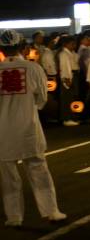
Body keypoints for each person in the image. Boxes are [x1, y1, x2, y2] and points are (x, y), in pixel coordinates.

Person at [0, 30, 67, 227]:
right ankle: (51, 211)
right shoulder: (33, 68)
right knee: (38, 169)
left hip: (2, 131)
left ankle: (14, 217)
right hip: (28, 127)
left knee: (8, 176)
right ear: (22, 47)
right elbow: (42, 100)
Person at [57, 36, 81, 127]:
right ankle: (66, 118)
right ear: (66, 44)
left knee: (73, 97)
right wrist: (67, 79)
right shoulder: (63, 54)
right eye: (72, 44)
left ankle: (72, 116)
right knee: (67, 98)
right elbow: (65, 67)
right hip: (68, 76)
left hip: (74, 75)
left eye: (74, 44)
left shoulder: (72, 53)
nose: (74, 45)